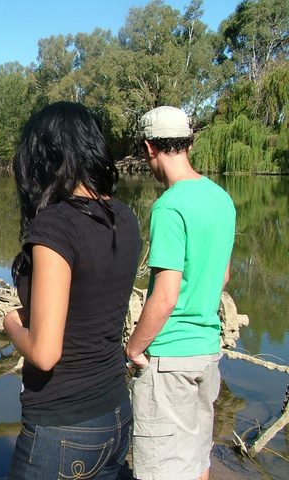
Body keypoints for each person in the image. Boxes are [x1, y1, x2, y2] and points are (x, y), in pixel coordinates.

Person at [4, 102, 142, 479]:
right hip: (115, 411)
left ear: (43, 158)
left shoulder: (56, 226)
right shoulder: (124, 217)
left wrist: (11, 323)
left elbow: (46, 354)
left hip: (64, 424)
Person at [125, 106, 236, 480]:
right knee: (196, 460)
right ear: (188, 143)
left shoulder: (169, 206)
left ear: (149, 148)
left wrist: (135, 347)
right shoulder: (221, 198)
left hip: (170, 358)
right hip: (207, 351)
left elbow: (165, 295)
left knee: (160, 469)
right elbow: (223, 276)